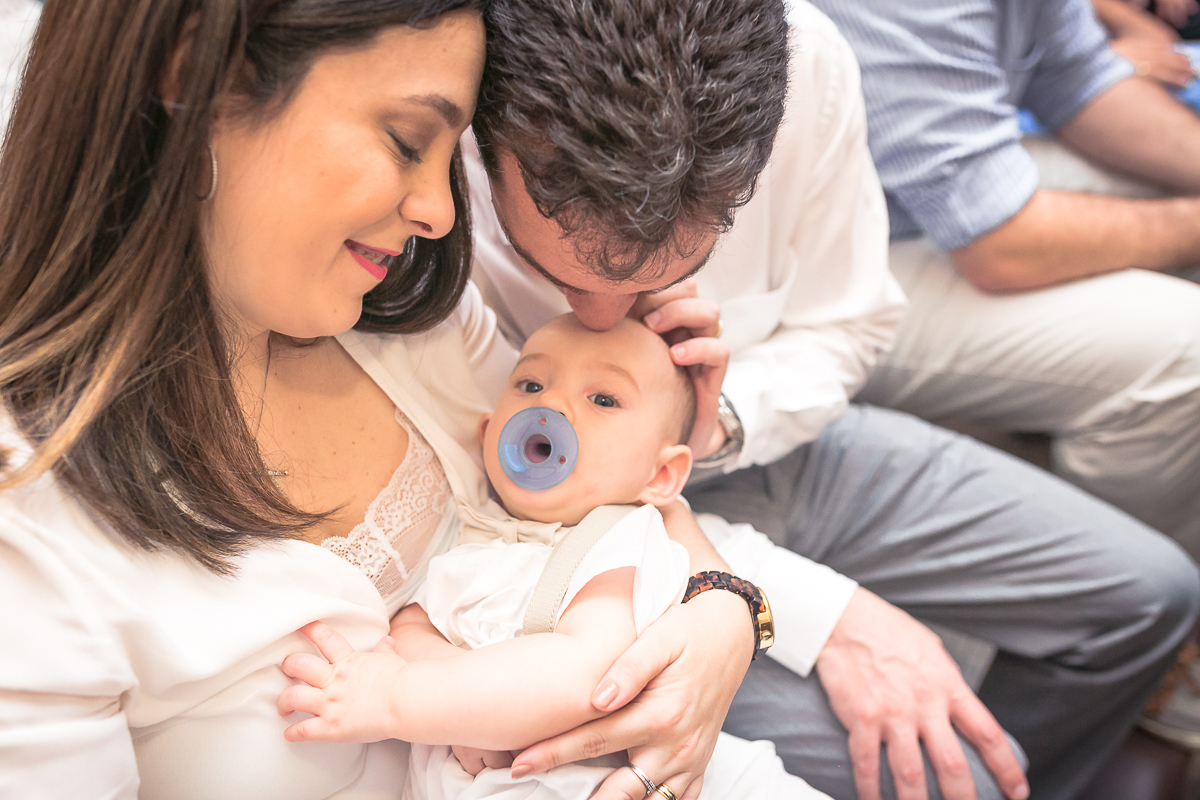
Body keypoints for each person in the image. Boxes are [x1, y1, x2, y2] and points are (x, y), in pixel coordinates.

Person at [0, 2, 760, 798]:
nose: (437, 211)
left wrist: (728, 611)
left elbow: (603, 507)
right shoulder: (36, 542)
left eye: (450, 154)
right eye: (406, 142)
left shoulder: (414, 323)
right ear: (198, 78)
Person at [463, 0, 1200, 798]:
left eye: (667, 271)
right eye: (557, 275)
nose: (605, 317)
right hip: (565, 552)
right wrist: (821, 612)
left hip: (758, 442)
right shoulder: (445, 118)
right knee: (964, 783)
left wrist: (722, 421)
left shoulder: (808, 60)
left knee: (1152, 599)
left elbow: (848, 322)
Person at [277, 314, 828, 800]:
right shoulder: (471, 538)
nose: (551, 405)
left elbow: (579, 677)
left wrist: (396, 696)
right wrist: (471, 710)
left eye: (604, 399)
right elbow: (412, 632)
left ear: (661, 476)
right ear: (489, 434)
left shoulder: (620, 542)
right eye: (531, 383)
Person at [803, 0, 1200, 561]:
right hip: (822, 270)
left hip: (914, 204)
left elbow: (1081, 79)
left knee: (1169, 200)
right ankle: (1136, 594)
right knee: (1185, 349)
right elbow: (999, 245)